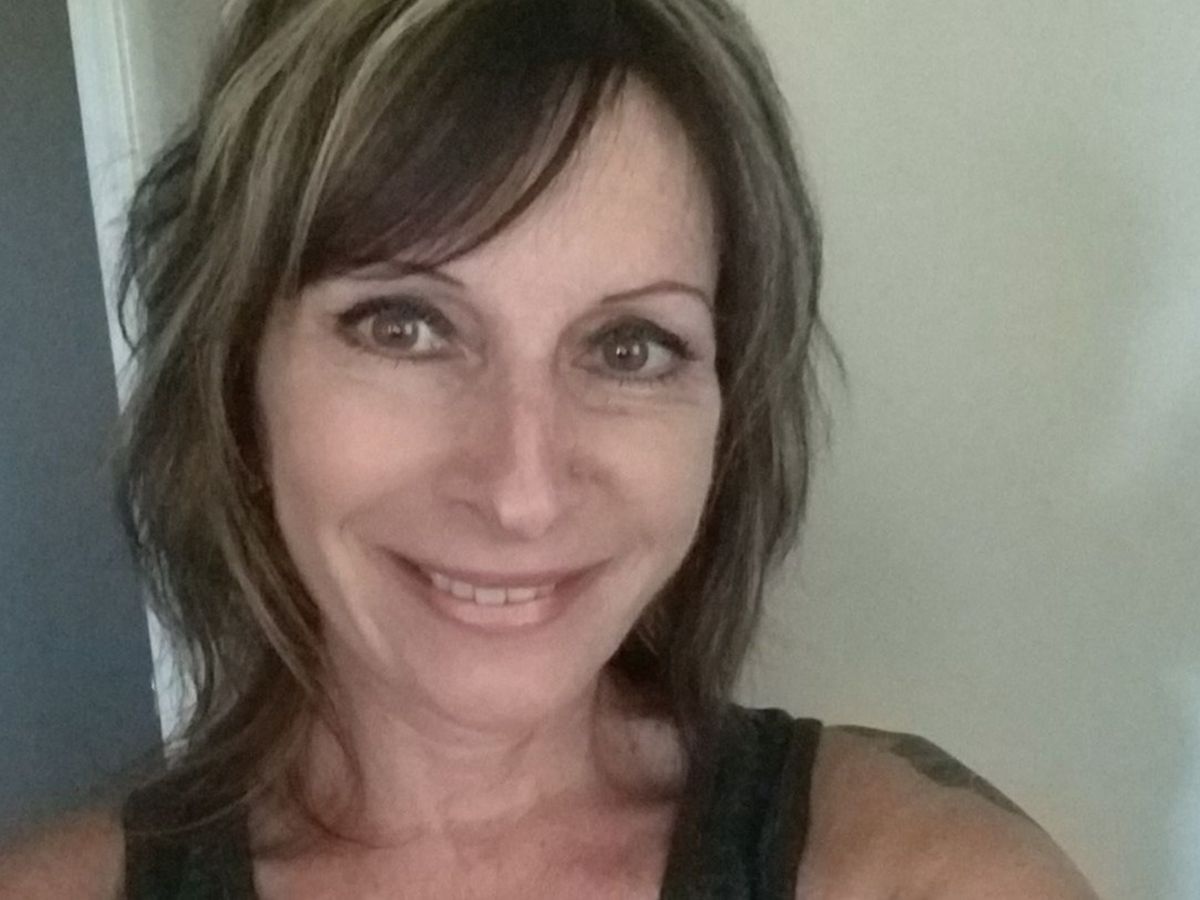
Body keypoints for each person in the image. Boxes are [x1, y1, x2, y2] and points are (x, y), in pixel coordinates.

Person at [0, 0, 1098, 897]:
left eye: (630, 347)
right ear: (238, 374)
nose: (519, 490)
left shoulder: (929, 880)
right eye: (403, 326)